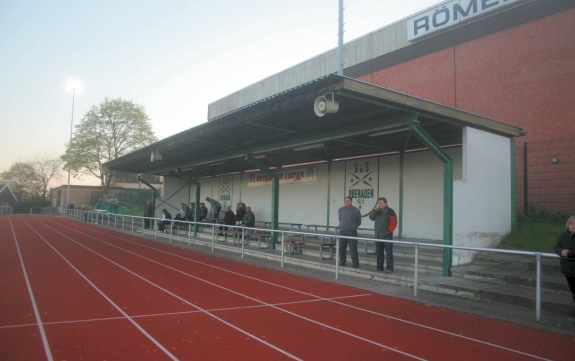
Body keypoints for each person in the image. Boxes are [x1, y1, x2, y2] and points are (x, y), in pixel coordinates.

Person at [369, 197, 398, 273]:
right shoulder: (377, 211)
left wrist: (389, 230)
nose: (379, 204)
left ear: (385, 203)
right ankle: (379, 266)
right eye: (378, 203)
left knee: (388, 253)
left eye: (381, 203)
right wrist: (375, 210)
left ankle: (389, 268)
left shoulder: (390, 211)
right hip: (378, 235)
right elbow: (371, 217)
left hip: (386, 235)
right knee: (379, 252)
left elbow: (394, 222)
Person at [554, 216, 575, 307]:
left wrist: (569, 253)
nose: (573, 226)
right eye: (571, 223)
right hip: (567, 269)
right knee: (573, 290)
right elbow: (557, 247)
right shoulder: (563, 235)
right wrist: (561, 251)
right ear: (568, 225)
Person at [338, 197, 362, 268]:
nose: (346, 202)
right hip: (342, 231)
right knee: (342, 248)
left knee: (353, 248)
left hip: (352, 232)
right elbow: (340, 219)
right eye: (345, 201)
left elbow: (359, 221)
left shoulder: (356, 210)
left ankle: (355, 263)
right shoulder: (340, 210)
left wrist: (353, 227)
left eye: (348, 201)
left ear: (351, 202)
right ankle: (342, 261)